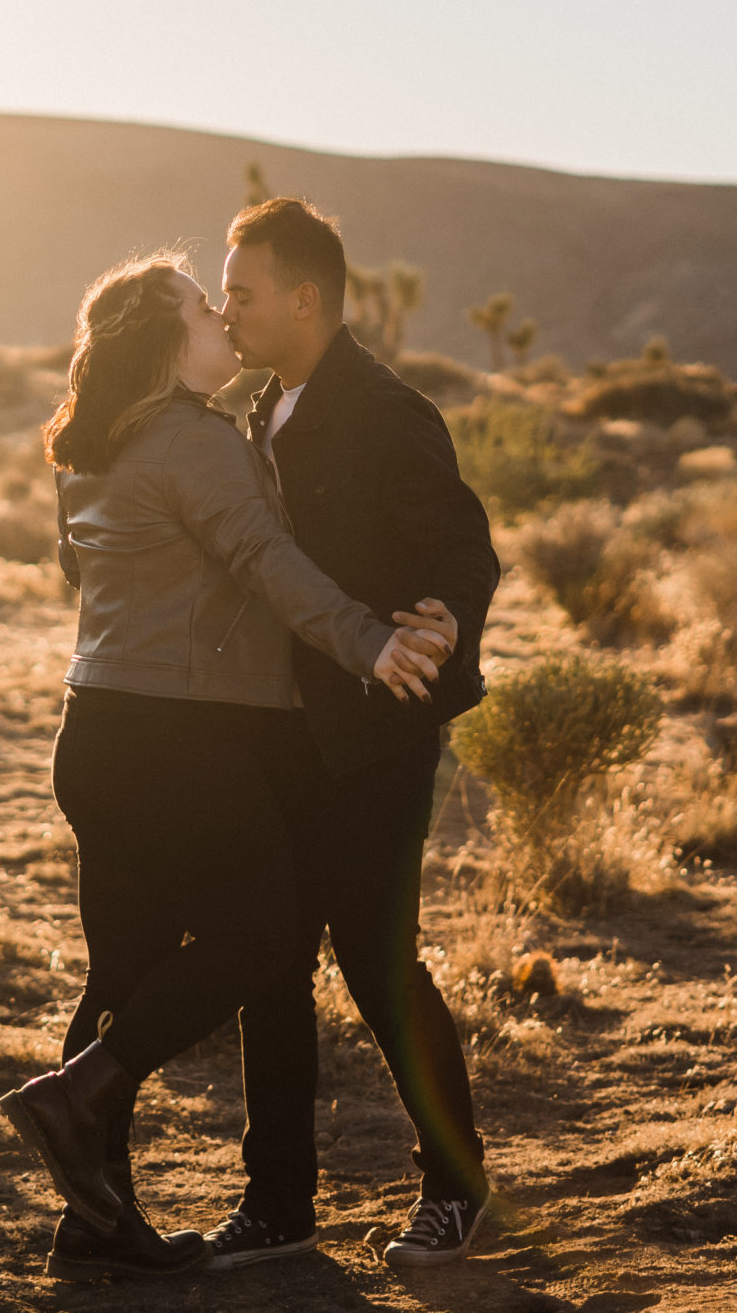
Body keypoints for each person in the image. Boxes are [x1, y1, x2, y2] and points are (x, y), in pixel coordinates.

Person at [0, 250, 455, 1282]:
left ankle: (94, 1222)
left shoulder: (94, 446)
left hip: (94, 729)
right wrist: (365, 641)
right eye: (201, 306)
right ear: (167, 343)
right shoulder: (193, 440)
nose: (219, 315)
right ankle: (79, 1095)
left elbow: (84, 565)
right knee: (261, 934)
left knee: (123, 969)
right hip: (181, 737)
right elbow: (261, 558)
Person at [206, 197, 504, 1269]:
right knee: (270, 963)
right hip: (278, 734)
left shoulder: (386, 411)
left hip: (374, 735)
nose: (225, 309)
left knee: (375, 963)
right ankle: (279, 1203)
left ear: (304, 299)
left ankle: (455, 1186)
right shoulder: (254, 411)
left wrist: (451, 615)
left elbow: (466, 546)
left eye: (241, 293)